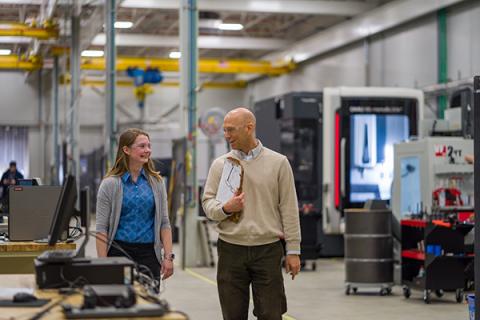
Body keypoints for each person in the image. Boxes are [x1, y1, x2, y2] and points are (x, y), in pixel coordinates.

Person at [202, 107, 301, 320]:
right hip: (230, 251)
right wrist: (226, 208)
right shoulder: (221, 165)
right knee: (233, 315)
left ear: (249, 128)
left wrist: (293, 250)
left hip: (267, 251)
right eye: (225, 130)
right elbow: (208, 205)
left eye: (231, 130)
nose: (226, 135)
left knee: (271, 314)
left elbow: (289, 208)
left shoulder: (279, 163)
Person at [96, 128, 174, 289]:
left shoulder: (157, 183)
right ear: (126, 149)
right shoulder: (110, 184)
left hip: (149, 255)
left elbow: (164, 223)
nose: (148, 150)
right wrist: (103, 264)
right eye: (142, 146)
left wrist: (168, 257)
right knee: (120, 304)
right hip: (118, 252)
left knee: (149, 304)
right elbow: (101, 228)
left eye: (149, 146)